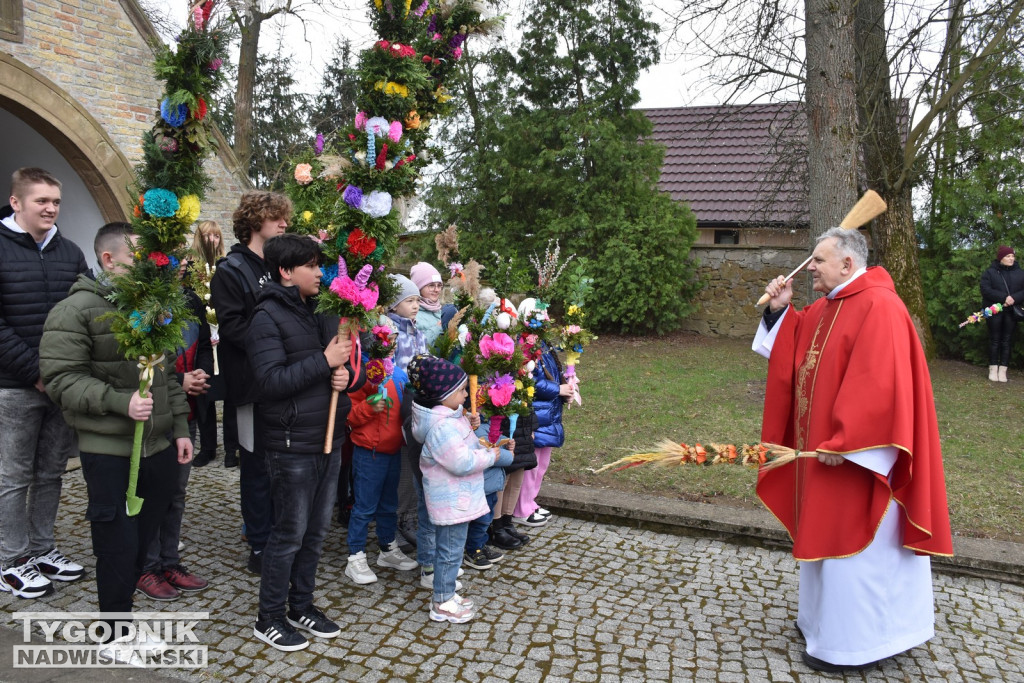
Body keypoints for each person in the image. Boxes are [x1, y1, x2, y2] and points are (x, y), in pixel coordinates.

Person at [753, 227, 953, 673]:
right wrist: (781, 313)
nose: (810, 269)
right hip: (824, 455)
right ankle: (822, 623)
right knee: (825, 532)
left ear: (847, 264)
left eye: (818, 261)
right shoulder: (829, 306)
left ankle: (859, 642)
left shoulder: (880, 306)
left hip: (858, 459)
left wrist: (849, 441)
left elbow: (879, 382)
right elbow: (798, 348)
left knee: (859, 545)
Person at [39, 221, 192, 645]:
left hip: (158, 446)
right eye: (138, 260)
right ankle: (115, 630)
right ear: (108, 260)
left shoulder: (148, 308)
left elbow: (167, 377)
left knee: (143, 540)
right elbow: (61, 379)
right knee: (116, 543)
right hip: (110, 449)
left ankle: (124, 617)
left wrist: (180, 428)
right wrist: (118, 401)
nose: (148, 269)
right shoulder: (74, 310)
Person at [246, 233, 362, 651]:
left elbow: (353, 368)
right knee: (289, 533)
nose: (319, 273)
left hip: (330, 437)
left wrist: (348, 376)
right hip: (292, 443)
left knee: (315, 533)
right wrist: (323, 362)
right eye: (311, 266)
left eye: (320, 265)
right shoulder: (266, 318)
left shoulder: (327, 311)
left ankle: (301, 604)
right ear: (285, 271)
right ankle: (270, 616)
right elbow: (269, 382)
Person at [0, 167, 89, 598]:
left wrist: (61, 373)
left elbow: (83, 313)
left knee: (51, 471)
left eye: (55, 201)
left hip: (59, 386)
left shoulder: (69, 252)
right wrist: (35, 372)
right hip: (13, 386)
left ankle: (42, 548)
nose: (51, 208)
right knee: (14, 475)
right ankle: (12, 558)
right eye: (41, 201)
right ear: (16, 203)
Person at [210, 191, 290, 574]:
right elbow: (232, 328)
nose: (284, 223)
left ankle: (282, 532)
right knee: (257, 466)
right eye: (277, 217)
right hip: (250, 387)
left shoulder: (281, 266)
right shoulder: (230, 270)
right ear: (256, 220)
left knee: (282, 465)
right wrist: (278, 336)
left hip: (285, 383)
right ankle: (259, 544)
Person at [136, 264, 212, 601]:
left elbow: (206, 345)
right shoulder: (140, 304)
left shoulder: (190, 301)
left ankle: (169, 561)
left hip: (185, 410)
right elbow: (135, 361)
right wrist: (177, 381)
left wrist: (200, 375)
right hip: (153, 414)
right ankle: (146, 566)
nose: (180, 267)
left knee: (176, 492)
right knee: (152, 492)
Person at [408, 354, 501, 623]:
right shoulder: (442, 428)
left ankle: (446, 593)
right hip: (450, 500)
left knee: (452, 552)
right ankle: (442, 602)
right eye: (460, 390)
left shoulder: (449, 418)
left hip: (456, 498)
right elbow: (461, 462)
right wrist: (490, 457)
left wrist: (468, 425)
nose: (465, 395)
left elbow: (465, 442)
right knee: (449, 553)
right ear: (443, 394)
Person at [343, 330, 418, 585]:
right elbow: (350, 415)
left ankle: (387, 548)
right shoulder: (362, 374)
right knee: (364, 507)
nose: (390, 347)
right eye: (385, 343)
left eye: (393, 342)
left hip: (393, 449)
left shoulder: (397, 373)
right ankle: (355, 556)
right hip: (369, 451)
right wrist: (368, 407)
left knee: (389, 505)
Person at [514, 298, 570, 527]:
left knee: (542, 463)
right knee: (531, 464)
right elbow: (531, 382)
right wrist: (558, 389)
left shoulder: (542, 344)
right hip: (536, 413)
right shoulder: (525, 346)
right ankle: (521, 507)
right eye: (539, 316)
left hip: (549, 413)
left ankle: (531, 501)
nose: (545, 320)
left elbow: (550, 373)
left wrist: (566, 384)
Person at [388, 274, 428, 548]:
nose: (416, 305)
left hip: (417, 404)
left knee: (416, 463)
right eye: (410, 300)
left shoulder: (418, 331)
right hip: (396, 407)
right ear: (394, 304)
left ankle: (409, 516)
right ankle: (397, 519)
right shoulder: (390, 332)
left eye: (417, 301)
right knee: (402, 467)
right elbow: (388, 369)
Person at [190, 220, 232, 466]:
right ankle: (207, 448)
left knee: (229, 394)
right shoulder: (192, 268)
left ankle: (230, 448)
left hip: (225, 337)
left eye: (216, 236)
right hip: (203, 340)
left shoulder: (226, 265)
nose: (212, 241)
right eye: (207, 236)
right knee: (204, 393)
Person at [980, 246, 1024, 382]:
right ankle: (993, 369)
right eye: (1008, 256)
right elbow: (985, 289)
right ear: (1001, 258)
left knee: (1007, 340)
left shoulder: (1020, 273)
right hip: (995, 310)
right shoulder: (990, 272)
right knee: (995, 339)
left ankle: (1003, 370)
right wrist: (1003, 298)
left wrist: (1014, 298)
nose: (1011, 259)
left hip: (1011, 312)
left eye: (1012, 256)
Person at [411, 261, 453, 347]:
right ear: (419, 287)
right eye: (431, 285)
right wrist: (438, 327)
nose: (437, 290)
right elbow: (415, 346)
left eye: (439, 285)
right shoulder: (411, 314)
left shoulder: (440, 310)